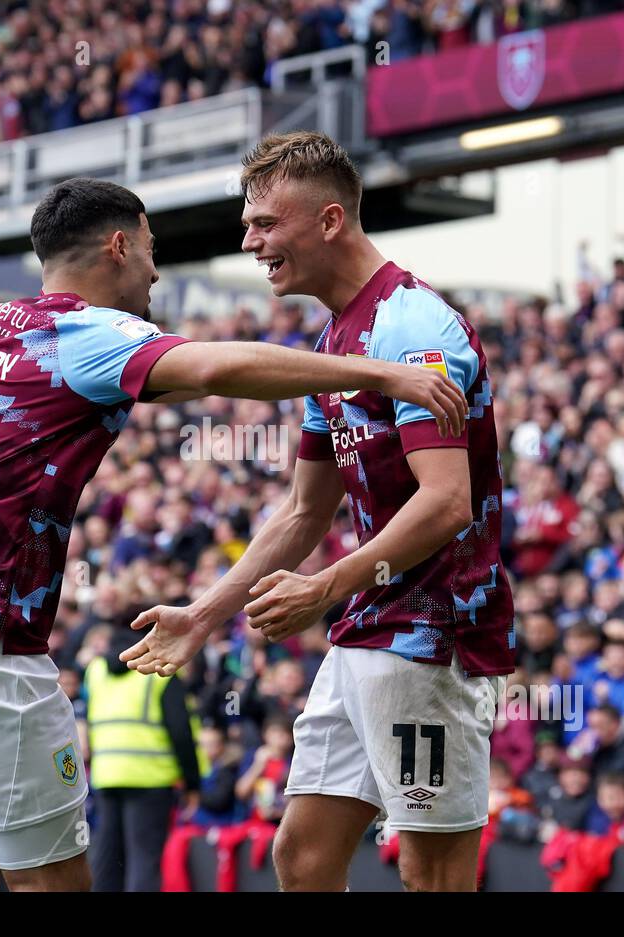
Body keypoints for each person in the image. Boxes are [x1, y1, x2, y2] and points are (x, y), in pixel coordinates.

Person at [0, 176, 469, 892]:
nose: (155, 269)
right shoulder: (88, 333)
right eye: (149, 249)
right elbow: (215, 367)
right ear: (119, 244)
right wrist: (377, 373)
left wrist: (205, 614)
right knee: (53, 886)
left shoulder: (9, 324)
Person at [121, 131, 514, 891]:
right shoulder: (336, 344)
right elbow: (304, 512)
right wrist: (207, 614)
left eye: (265, 222)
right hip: (368, 628)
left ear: (330, 220)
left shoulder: (413, 325)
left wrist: (324, 587)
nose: (249, 240)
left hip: (433, 639)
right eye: (248, 223)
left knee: (433, 875)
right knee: (301, 856)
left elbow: (447, 501)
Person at [84, 647, 202, 891]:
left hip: (107, 774)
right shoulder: (161, 667)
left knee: (108, 859)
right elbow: (181, 730)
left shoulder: (96, 669)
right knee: (144, 861)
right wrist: (192, 782)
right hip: (151, 779)